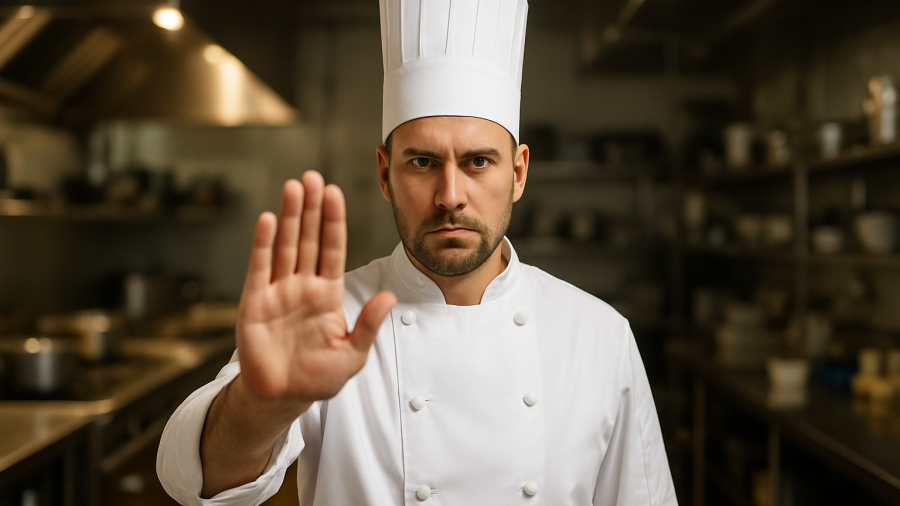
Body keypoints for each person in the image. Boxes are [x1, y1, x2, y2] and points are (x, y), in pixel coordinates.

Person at [157, 0, 677, 504]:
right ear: (385, 174)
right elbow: (195, 482)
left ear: (518, 173)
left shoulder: (599, 337)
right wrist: (260, 407)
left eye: (477, 162)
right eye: (423, 162)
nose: (450, 195)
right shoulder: (327, 321)